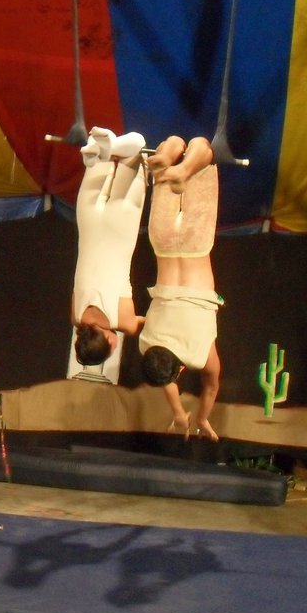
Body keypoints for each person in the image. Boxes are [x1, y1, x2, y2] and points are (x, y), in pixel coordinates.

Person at [139, 136, 224, 442]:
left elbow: (211, 385)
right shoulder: (147, 345)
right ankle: (168, 155)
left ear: (180, 370)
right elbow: (162, 371)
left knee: (205, 149)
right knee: (175, 145)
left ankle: (188, 167)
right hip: (161, 243)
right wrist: (177, 413)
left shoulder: (197, 355)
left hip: (196, 245)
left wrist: (200, 417)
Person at [72, 126, 148, 365]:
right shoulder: (75, 316)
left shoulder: (124, 323)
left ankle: (111, 147)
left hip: (119, 226)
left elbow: (150, 323)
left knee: (138, 147)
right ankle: (105, 147)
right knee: (97, 156)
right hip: (88, 220)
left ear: (108, 341)